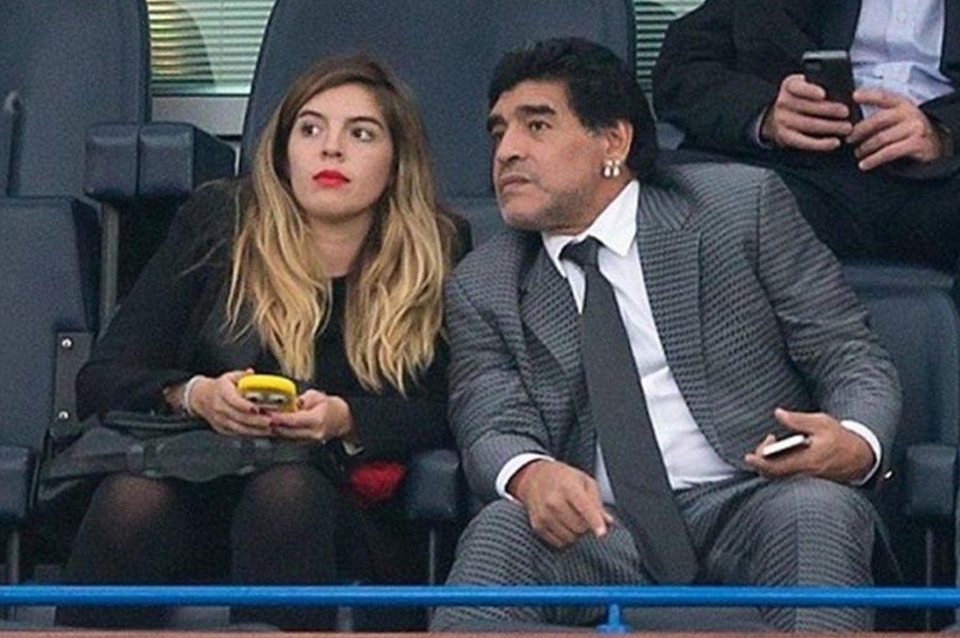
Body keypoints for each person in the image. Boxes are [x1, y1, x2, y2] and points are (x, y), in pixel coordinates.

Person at [430, 37, 900, 633]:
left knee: (819, 509)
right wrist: (530, 472)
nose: (507, 151)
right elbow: (489, 420)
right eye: (498, 133)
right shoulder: (484, 282)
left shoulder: (740, 209)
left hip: (754, 500)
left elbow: (849, 354)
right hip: (600, 527)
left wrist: (855, 442)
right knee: (503, 527)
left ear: (614, 142)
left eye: (537, 126)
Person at [53, 53, 461, 631]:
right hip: (203, 480)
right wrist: (196, 395)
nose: (331, 150)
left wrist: (346, 419)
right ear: (282, 152)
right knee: (130, 499)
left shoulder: (437, 249)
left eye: (361, 134)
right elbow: (102, 378)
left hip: (343, 508)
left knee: (286, 493)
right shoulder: (221, 224)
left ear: (397, 162)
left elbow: (450, 410)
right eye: (310, 129)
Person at [652, 0, 960, 271]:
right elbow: (681, 68)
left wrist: (943, 132)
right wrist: (766, 114)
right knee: (668, 197)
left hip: (941, 181)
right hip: (802, 177)